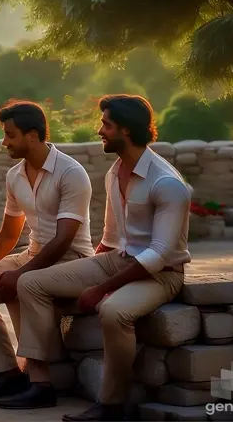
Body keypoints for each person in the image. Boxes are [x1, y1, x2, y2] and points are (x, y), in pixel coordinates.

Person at [13, 95, 190, 421]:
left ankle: (111, 405)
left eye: (106, 124)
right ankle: (40, 383)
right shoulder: (115, 171)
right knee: (30, 282)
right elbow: (110, 239)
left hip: (160, 274)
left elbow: (159, 253)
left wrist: (101, 288)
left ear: (126, 129)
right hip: (117, 260)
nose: (100, 130)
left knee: (112, 310)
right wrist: (84, 274)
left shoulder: (167, 183)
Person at [0, 99, 96, 404]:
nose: (4, 141)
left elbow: (63, 240)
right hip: (33, 253)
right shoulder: (15, 175)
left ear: (32, 135)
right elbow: (10, 233)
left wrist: (20, 272)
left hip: (72, 259)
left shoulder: (71, 173)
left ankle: (41, 385)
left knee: (22, 283)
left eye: (10, 135)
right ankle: (7, 372)